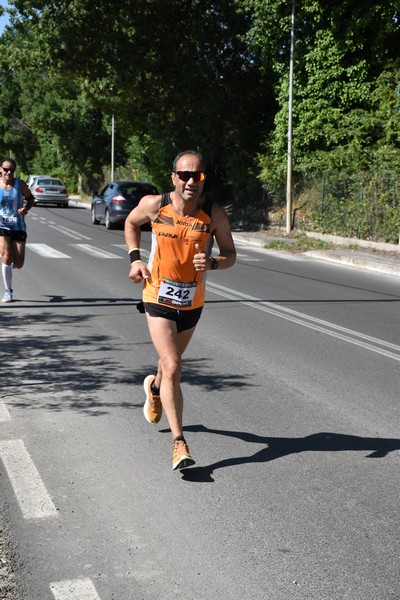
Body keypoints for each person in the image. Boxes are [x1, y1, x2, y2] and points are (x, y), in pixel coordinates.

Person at [125, 150, 236, 470]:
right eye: (184, 175)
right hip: (157, 297)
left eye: (197, 175)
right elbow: (131, 223)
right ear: (173, 176)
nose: (190, 181)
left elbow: (230, 254)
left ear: (204, 178)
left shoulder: (214, 214)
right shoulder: (154, 205)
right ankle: (179, 444)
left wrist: (214, 262)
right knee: (172, 365)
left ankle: (155, 388)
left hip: (192, 304)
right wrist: (135, 259)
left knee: (168, 367)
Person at [0, 158, 35, 303]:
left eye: (12, 170)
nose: (9, 172)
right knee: (7, 256)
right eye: (6, 169)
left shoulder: (20, 185)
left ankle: (10, 264)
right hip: (1, 225)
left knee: (19, 263)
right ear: (0, 169)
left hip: (18, 225)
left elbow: (31, 199)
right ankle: (8, 291)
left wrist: (25, 208)